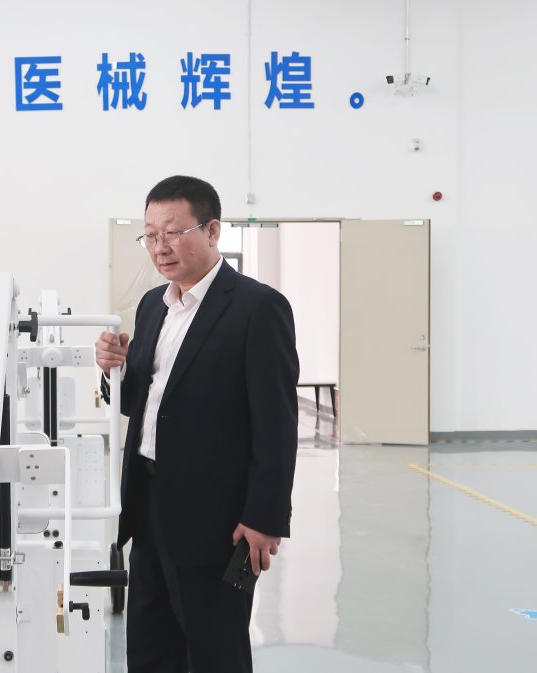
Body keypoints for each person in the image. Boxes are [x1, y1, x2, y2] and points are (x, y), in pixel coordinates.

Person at [94, 176, 300, 673]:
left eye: (172, 232)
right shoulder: (153, 306)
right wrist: (111, 370)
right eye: (149, 235)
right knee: (151, 647)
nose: (159, 247)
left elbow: (276, 422)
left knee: (215, 651)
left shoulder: (257, 307)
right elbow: (138, 401)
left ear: (212, 231)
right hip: (148, 505)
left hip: (216, 519)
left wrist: (265, 516)